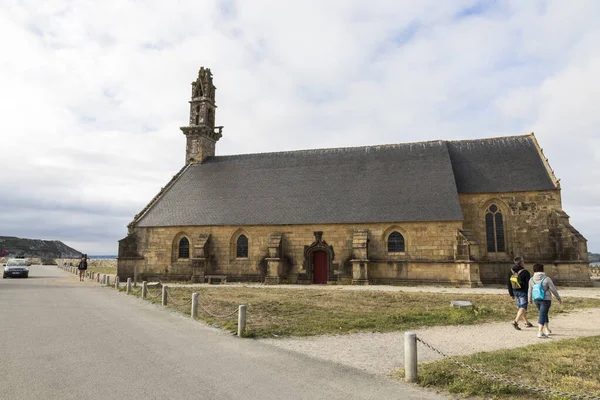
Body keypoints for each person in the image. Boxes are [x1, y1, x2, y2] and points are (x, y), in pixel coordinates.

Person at [528, 263, 562, 338]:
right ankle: (540, 332)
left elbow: (530, 290)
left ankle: (547, 329)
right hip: (546, 299)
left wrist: (529, 299)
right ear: (542, 269)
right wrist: (558, 298)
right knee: (542, 314)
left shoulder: (531, 279)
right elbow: (553, 290)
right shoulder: (546, 278)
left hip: (536, 299)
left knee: (543, 313)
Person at [507, 256, 533, 330]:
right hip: (523, 292)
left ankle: (526, 322)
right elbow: (529, 284)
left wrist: (511, 293)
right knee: (523, 307)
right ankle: (515, 321)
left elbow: (508, 283)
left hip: (515, 291)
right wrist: (530, 294)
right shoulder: (525, 272)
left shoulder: (510, 272)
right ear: (521, 263)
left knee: (520, 307)